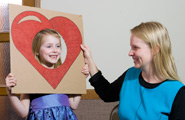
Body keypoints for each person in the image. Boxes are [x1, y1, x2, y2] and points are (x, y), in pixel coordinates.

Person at [81, 21, 185, 119]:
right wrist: (89, 61)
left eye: (136, 47)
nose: (130, 53)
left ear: (155, 49)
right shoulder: (130, 75)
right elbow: (107, 94)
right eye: (131, 47)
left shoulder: (178, 92)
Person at [6, 28, 88, 120]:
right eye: (49, 46)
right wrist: (10, 93)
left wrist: (81, 80)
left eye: (58, 46)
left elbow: (74, 104)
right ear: (37, 51)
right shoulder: (31, 77)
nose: (55, 50)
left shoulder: (64, 75)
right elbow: (23, 112)